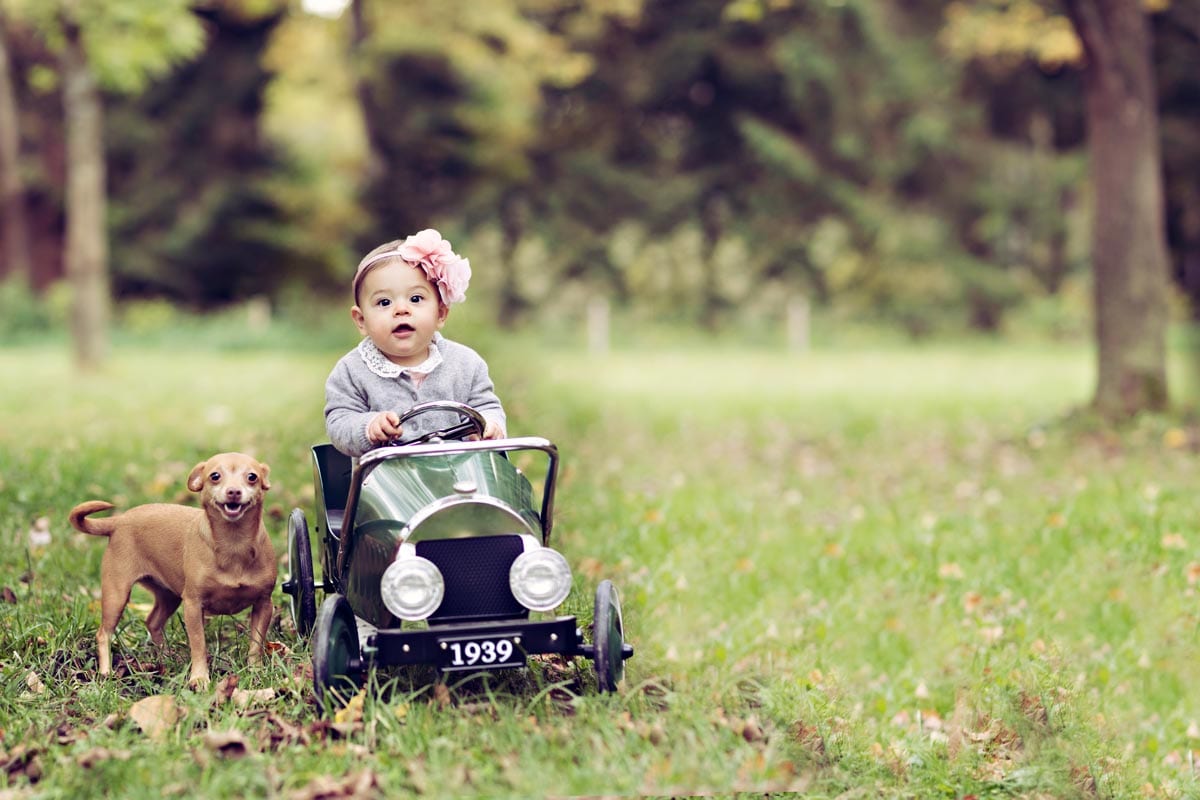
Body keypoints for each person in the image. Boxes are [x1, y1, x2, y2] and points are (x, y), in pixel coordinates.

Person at [325, 229, 506, 458]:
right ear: (361, 320)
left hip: (461, 477)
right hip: (388, 484)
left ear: (440, 313)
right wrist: (368, 426)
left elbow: (487, 406)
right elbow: (339, 421)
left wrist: (490, 425)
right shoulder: (351, 371)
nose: (401, 309)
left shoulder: (466, 364)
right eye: (384, 302)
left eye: (416, 299)